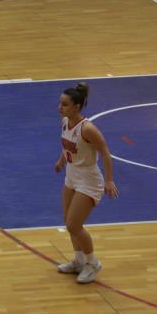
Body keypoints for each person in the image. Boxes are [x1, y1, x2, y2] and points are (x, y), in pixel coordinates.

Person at [54, 83, 119, 284]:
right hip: (72, 175)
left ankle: (92, 263)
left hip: (89, 180)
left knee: (74, 225)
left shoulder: (88, 129)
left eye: (64, 104)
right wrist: (61, 161)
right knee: (69, 223)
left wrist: (109, 180)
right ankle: (78, 260)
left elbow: (106, 154)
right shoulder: (65, 122)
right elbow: (68, 146)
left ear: (77, 106)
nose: (60, 107)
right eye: (60, 103)